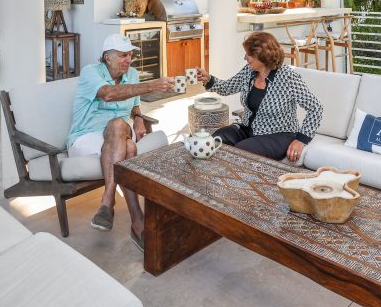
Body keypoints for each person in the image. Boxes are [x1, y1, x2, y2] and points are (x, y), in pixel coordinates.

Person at [69, 34, 173, 250]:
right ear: (107, 57)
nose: (129, 60)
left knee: (118, 126)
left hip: (121, 130)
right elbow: (108, 94)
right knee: (128, 146)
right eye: (123, 55)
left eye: (130, 55)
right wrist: (152, 85)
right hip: (87, 136)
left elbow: (134, 106)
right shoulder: (90, 72)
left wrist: (139, 119)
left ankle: (108, 202)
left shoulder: (132, 74)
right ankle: (137, 221)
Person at [193, 31, 323, 163]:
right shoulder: (249, 71)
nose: (245, 58)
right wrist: (208, 78)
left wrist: (301, 140)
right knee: (214, 140)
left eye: (249, 54)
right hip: (248, 129)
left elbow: (316, 108)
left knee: (241, 152)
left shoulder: (288, 77)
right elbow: (227, 87)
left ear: (262, 56)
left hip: (279, 134)